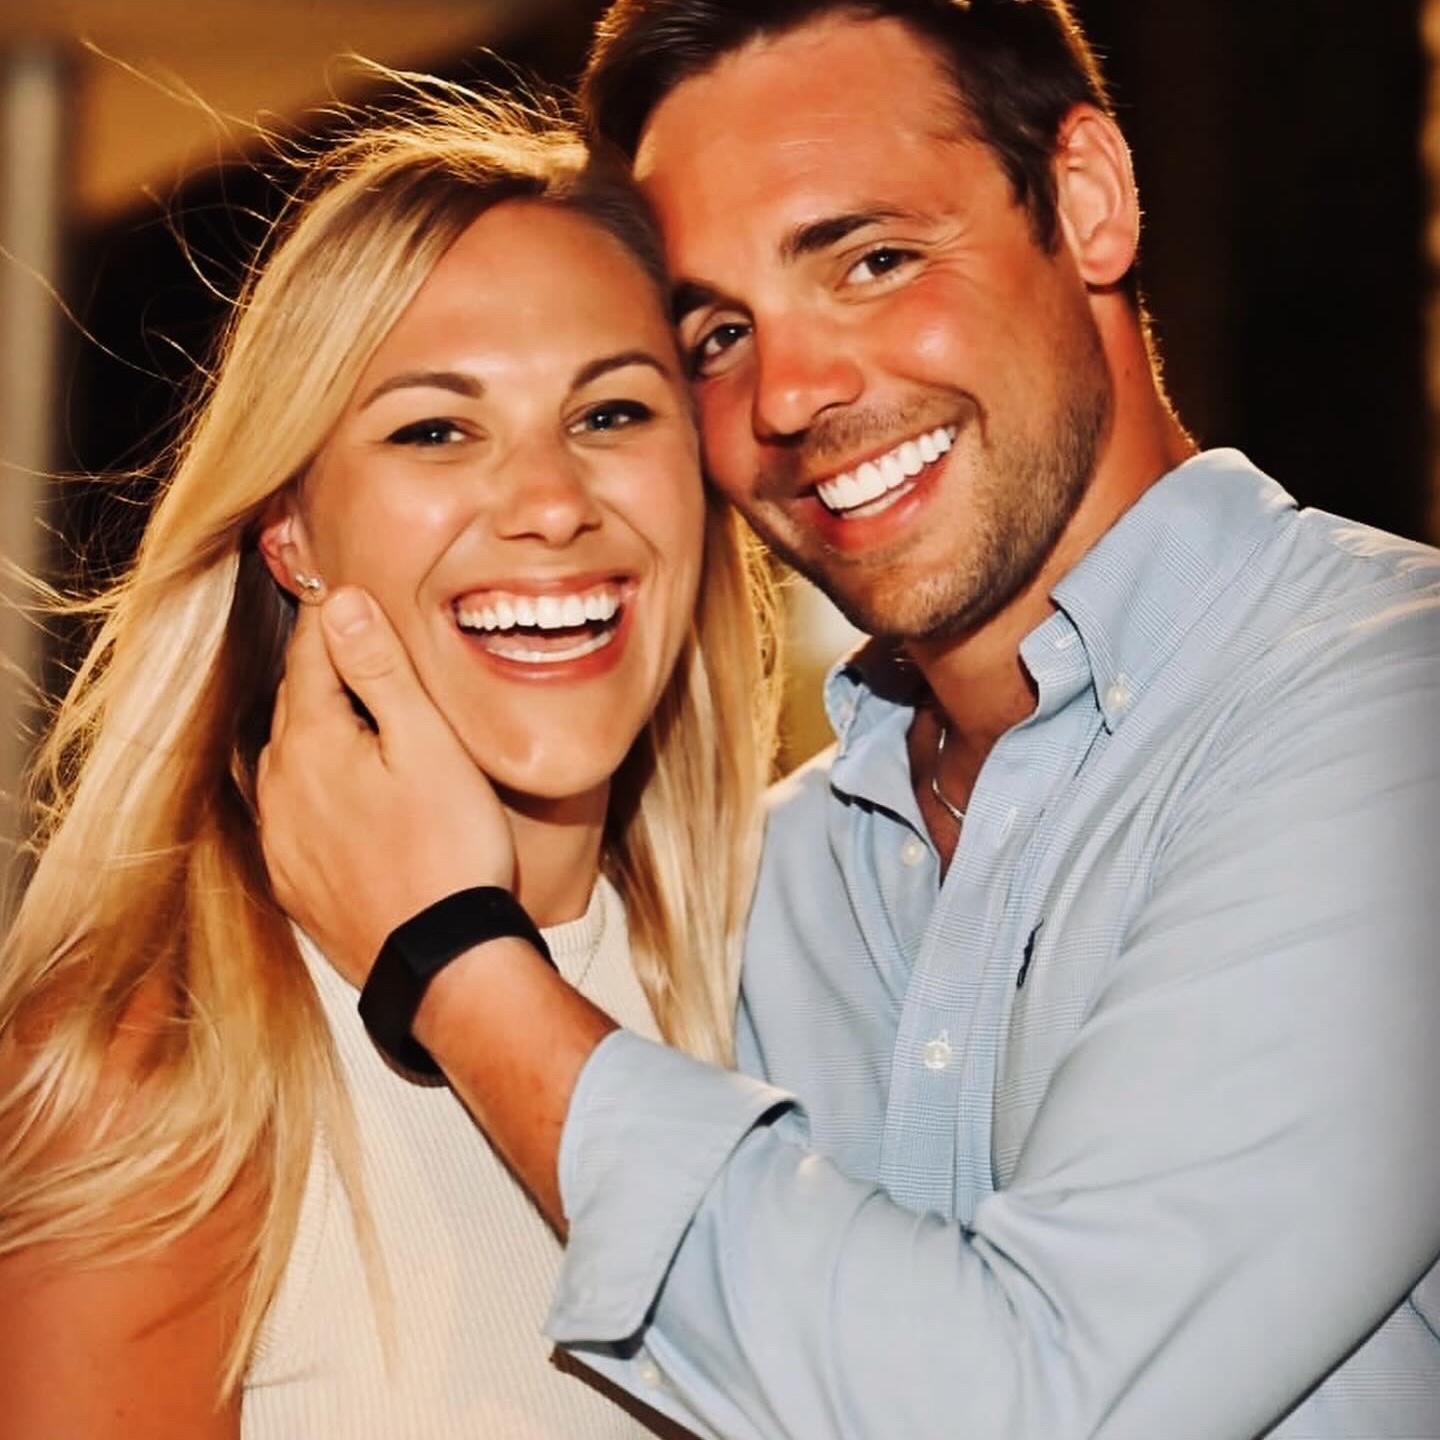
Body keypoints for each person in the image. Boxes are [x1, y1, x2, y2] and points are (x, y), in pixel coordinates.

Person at [257, 3, 1440, 1437]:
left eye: (873, 261)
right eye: (717, 335)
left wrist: (450, 955)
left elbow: (1026, 1408)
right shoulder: (759, 888)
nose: (793, 393)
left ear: (1087, 199)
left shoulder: (1391, 702)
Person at [0, 85, 778, 1439]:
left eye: (611, 414)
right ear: (291, 532)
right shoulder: (161, 1068)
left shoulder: (792, 980)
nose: (552, 505)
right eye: (435, 429)